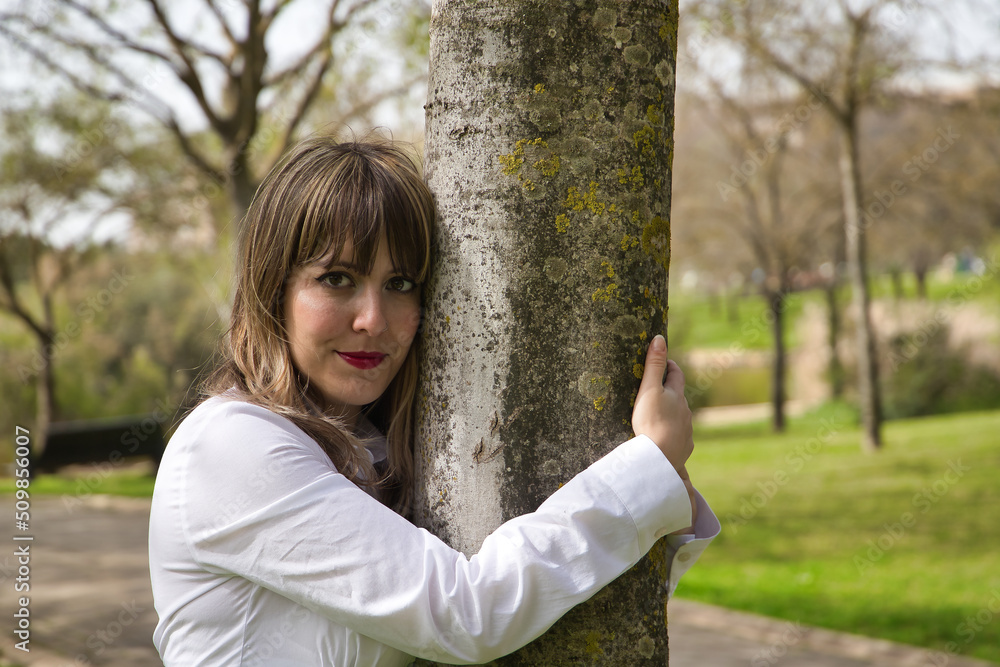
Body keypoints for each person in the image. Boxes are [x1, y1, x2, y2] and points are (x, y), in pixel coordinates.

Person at [148, 135, 719, 666]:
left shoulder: (375, 451)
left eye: (400, 285)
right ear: (274, 287)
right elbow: (467, 614)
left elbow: (558, 606)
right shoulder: (229, 446)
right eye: (337, 278)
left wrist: (661, 494)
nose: (373, 320)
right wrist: (648, 468)